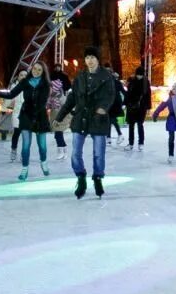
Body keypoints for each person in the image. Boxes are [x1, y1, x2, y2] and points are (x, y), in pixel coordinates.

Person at [54, 46, 117, 200]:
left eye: (92, 57)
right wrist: (59, 117)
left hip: (98, 119)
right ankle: (81, 178)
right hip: (81, 118)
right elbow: (72, 99)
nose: (89, 60)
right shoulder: (80, 76)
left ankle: (97, 179)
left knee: (98, 154)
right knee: (75, 153)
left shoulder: (106, 76)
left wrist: (103, 108)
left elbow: (110, 95)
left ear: (97, 59)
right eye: (87, 57)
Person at [0, 61, 53, 181]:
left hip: (39, 117)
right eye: (35, 69)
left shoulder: (46, 84)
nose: (36, 71)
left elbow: (42, 103)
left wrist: (35, 117)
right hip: (26, 116)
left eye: (39, 70)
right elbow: (11, 94)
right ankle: (24, 168)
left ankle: (43, 162)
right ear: (31, 69)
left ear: (43, 72)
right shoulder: (25, 82)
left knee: (42, 145)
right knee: (26, 145)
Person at [123, 66, 150, 152]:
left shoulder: (146, 82)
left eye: (141, 75)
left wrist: (148, 106)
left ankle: (141, 143)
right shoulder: (132, 81)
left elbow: (148, 94)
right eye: (138, 75)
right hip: (131, 106)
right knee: (131, 125)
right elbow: (128, 93)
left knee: (140, 125)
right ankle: (131, 143)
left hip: (141, 107)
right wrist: (125, 103)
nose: (139, 76)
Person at [6, 69, 27, 160]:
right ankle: (13, 150)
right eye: (21, 75)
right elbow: (9, 98)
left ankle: (24, 153)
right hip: (17, 113)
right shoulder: (14, 86)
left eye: (25, 75)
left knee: (26, 135)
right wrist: (5, 107)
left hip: (27, 113)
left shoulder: (31, 86)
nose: (23, 77)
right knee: (17, 133)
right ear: (18, 77)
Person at [47, 75, 69, 161]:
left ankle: (61, 151)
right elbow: (48, 107)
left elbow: (66, 108)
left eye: (51, 88)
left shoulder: (62, 98)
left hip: (60, 120)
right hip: (54, 119)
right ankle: (64, 150)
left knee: (58, 135)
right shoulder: (52, 98)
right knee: (57, 136)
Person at [104, 63, 125, 145]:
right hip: (110, 103)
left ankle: (119, 134)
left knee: (111, 119)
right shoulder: (107, 82)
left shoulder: (114, 82)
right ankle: (109, 137)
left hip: (115, 103)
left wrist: (124, 103)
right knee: (110, 120)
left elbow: (124, 92)